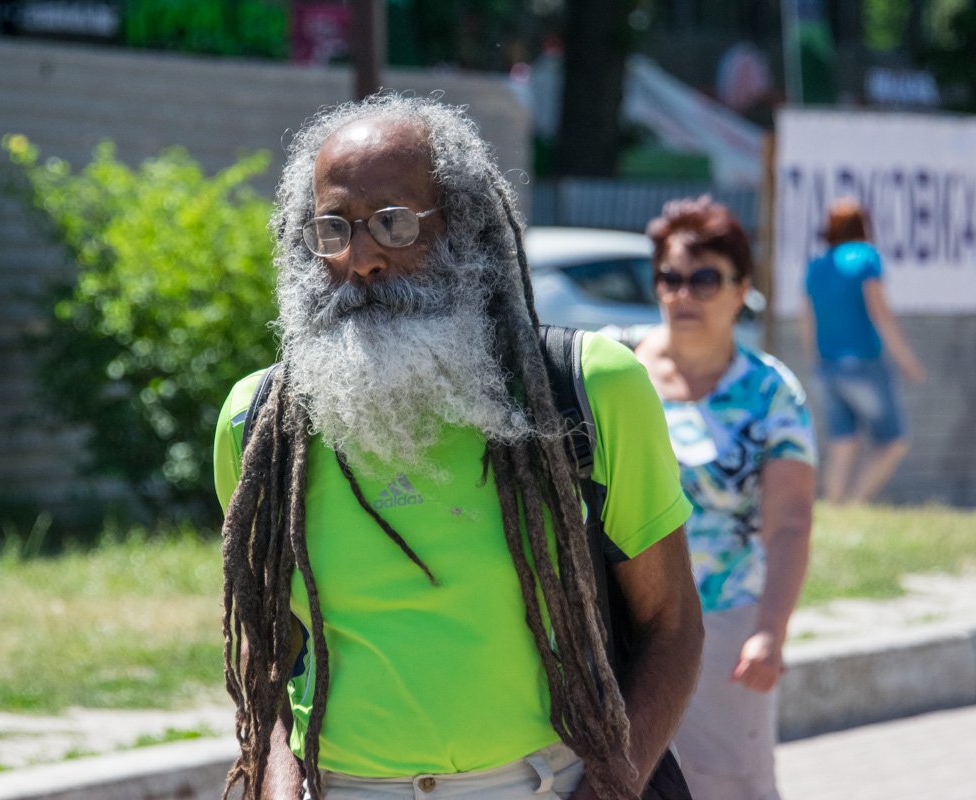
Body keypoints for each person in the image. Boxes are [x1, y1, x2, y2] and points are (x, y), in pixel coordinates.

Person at [212, 95, 704, 800]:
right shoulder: (257, 426)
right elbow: (268, 646)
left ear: (465, 229)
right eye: (332, 228)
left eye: (393, 222)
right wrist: (278, 781)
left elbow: (673, 624)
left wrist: (609, 791)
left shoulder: (590, 389)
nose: (362, 259)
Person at [625, 197, 817, 800]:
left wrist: (770, 631)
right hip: (616, 620)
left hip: (723, 624)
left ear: (741, 290)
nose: (684, 294)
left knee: (727, 786)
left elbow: (789, 523)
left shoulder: (769, 392)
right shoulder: (613, 372)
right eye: (670, 278)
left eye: (705, 279)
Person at [801, 197, 926, 505]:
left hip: (826, 366)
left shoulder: (816, 266)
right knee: (893, 441)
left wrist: (816, 360)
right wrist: (906, 360)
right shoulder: (867, 258)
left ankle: (834, 507)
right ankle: (855, 504)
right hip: (863, 364)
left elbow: (807, 320)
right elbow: (879, 312)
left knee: (842, 443)